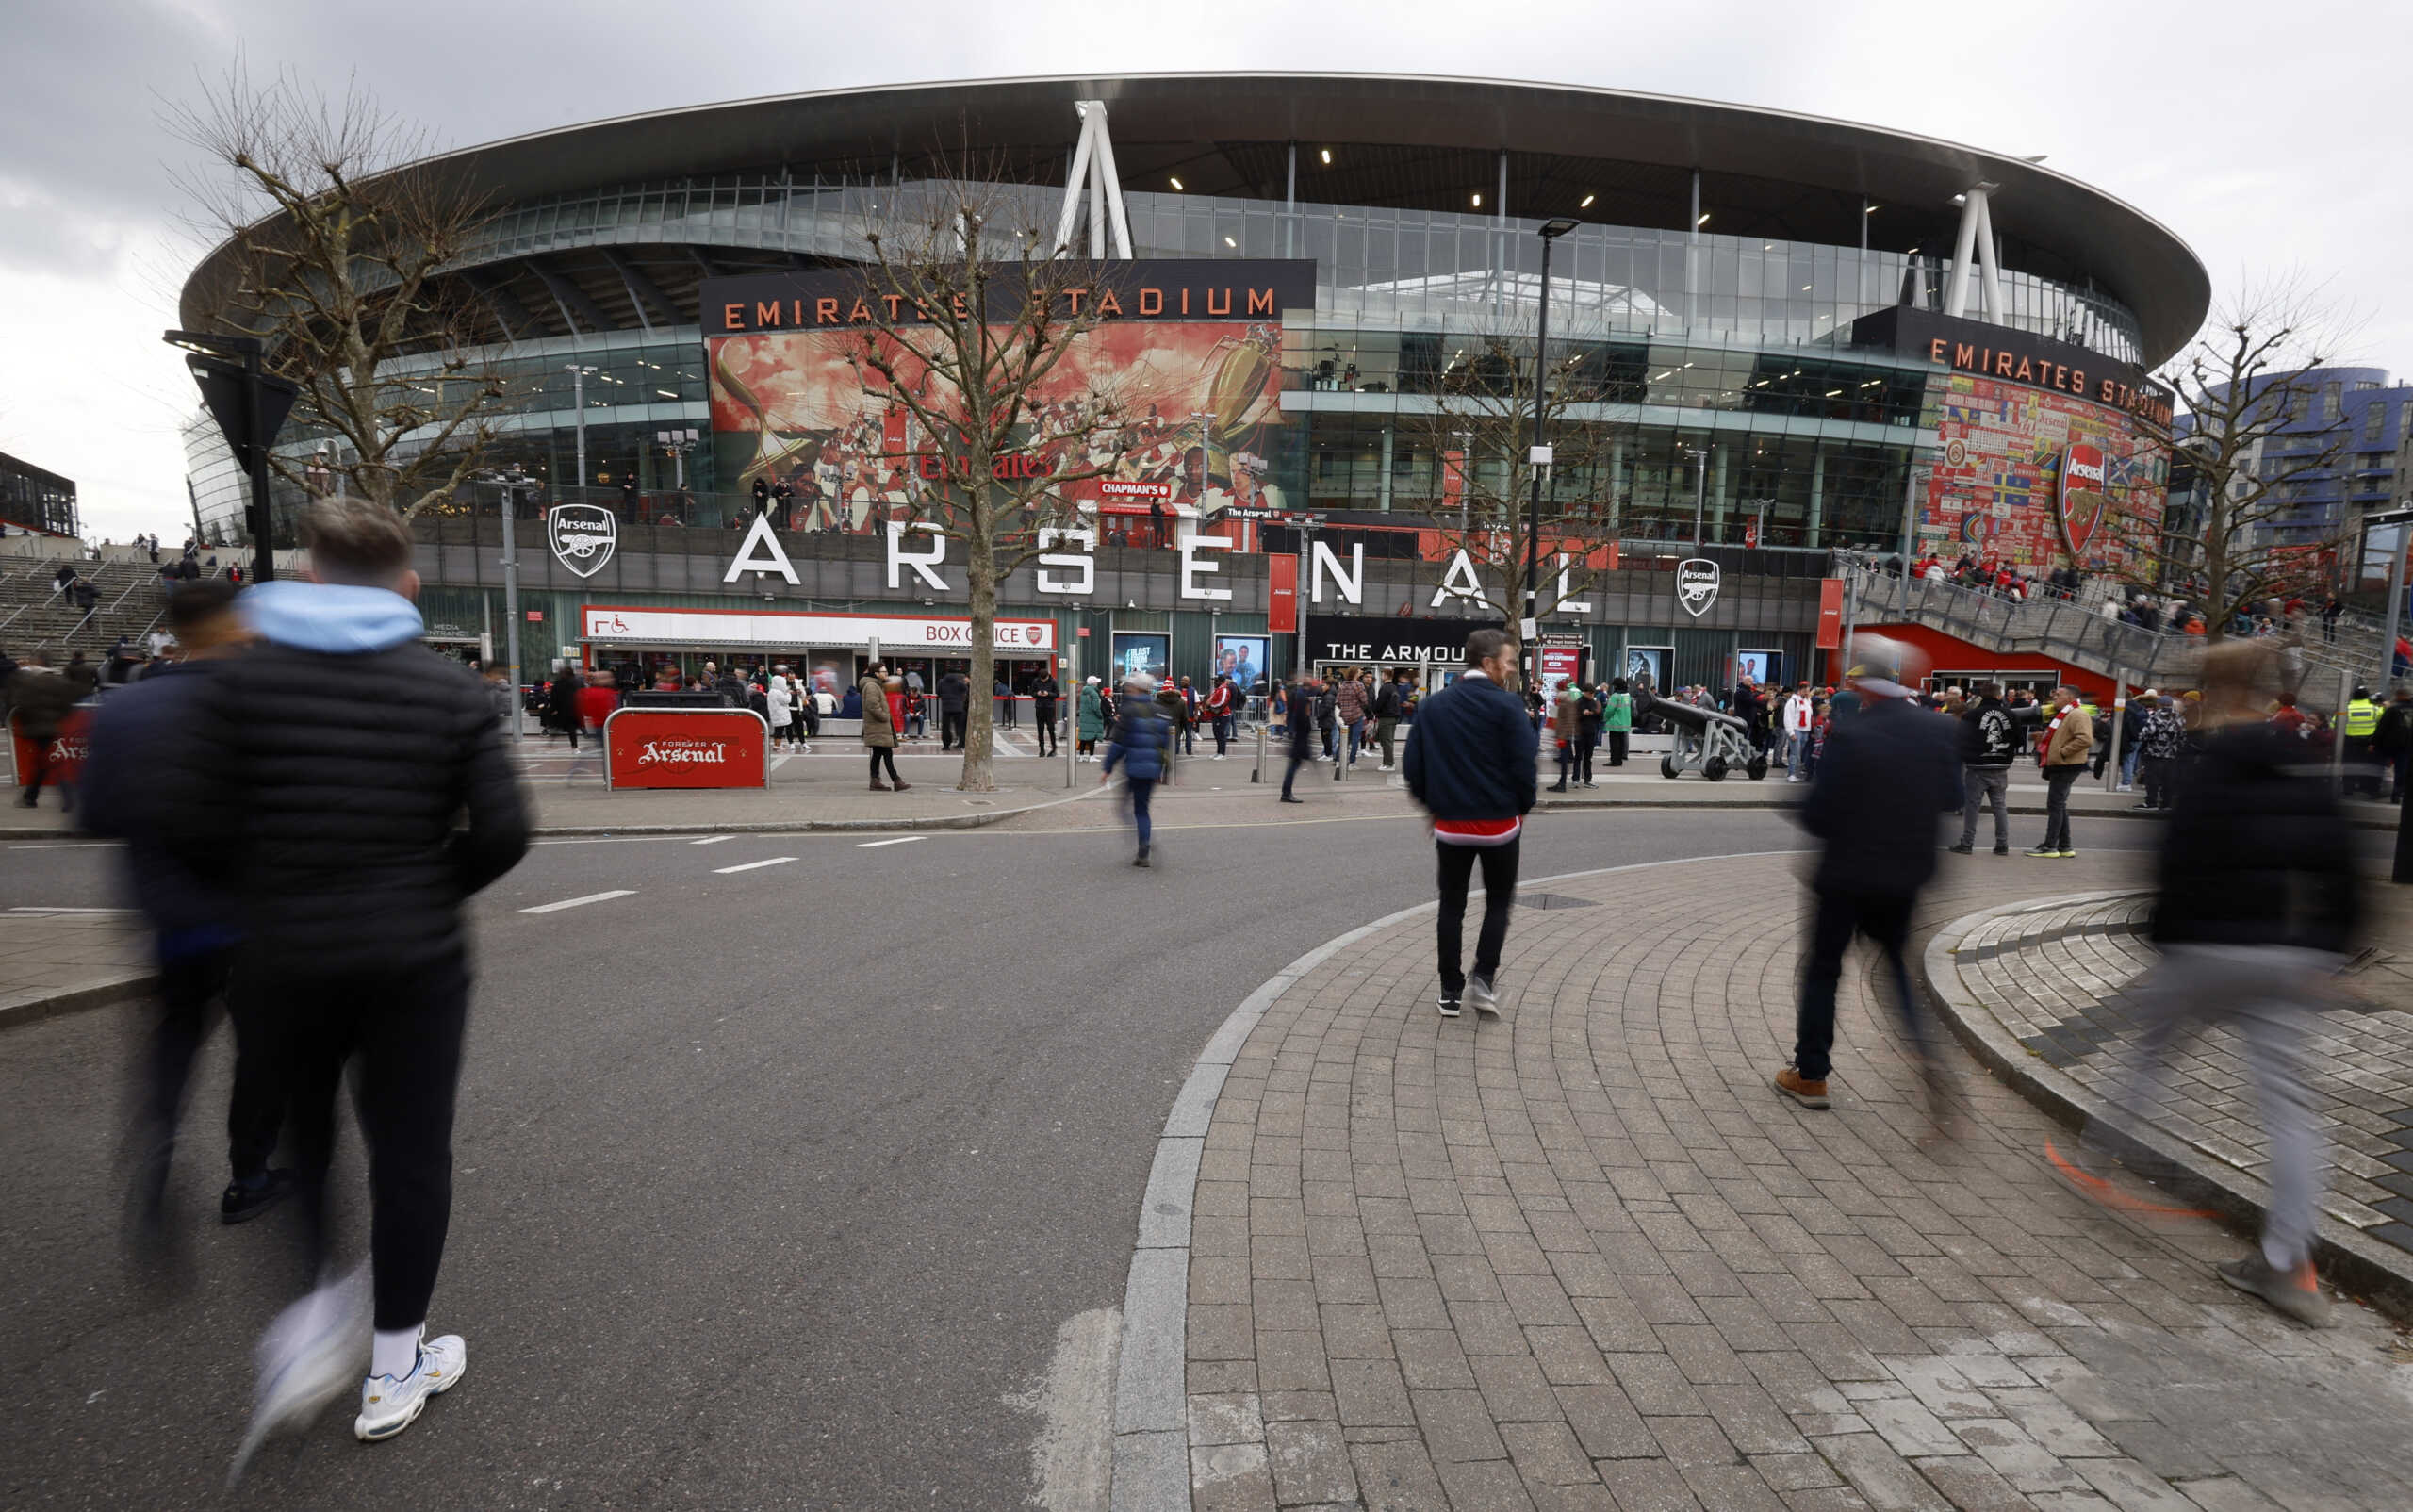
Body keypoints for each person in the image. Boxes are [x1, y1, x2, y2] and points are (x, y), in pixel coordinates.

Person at [156, 497, 530, 1454]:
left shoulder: (239, 684)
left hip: (283, 957)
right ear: (407, 585)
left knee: (307, 1141)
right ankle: (394, 1362)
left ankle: (317, 1320)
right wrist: (423, 886)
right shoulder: (448, 691)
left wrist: (263, 893)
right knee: (412, 1153)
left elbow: (189, 822)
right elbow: (505, 828)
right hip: (414, 959)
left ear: (313, 575)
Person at [2080, 640, 2362, 1326]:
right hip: (2283, 955)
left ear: (2209, 694)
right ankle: (2288, 1263)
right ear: (2271, 696)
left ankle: (2102, 1151)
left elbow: (2167, 868)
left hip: (2202, 949)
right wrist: (2328, 952)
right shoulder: (2302, 766)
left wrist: (2163, 942)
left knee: (2151, 1048)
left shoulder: (2205, 772)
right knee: (2292, 1109)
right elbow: (2342, 869)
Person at [79, 582, 291, 1236]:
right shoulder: (262, 702)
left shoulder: (125, 708)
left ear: (174, 633)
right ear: (233, 624)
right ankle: (248, 1176)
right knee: (262, 1050)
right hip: (253, 913)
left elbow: (97, 816)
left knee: (176, 1037)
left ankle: (158, 1147)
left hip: (170, 914)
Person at [1774, 634, 1962, 1119]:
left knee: (1822, 971)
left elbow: (1817, 816)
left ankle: (1811, 1074)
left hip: (1845, 876)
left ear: (1865, 685)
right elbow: (1953, 799)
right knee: (1896, 967)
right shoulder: (1937, 730)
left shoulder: (1852, 735)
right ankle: (1926, 1052)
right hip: (1906, 875)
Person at [1403, 629, 1537, 1020]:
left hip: (1451, 825)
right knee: (1498, 902)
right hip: (1499, 826)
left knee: (1452, 905)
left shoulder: (1434, 706)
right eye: (1508, 662)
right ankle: (1483, 978)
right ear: (1488, 663)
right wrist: (1523, 807)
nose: (1511, 670)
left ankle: (1449, 990)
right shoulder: (1509, 707)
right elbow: (1523, 766)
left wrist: (1433, 807)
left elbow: (1413, 767)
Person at [1102, 673, 1171, 866]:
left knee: (1123, 807)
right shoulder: (1161, 711)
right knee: (1142, 810)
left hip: (1133, 767)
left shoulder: (1129, 710)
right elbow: (1166, 745)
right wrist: (1164, 771)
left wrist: (1107, 768)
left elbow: (1118, 744)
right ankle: (1144, 844)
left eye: (1131, 686)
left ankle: (1142, 842)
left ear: (1137, 689)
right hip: (1153, 769)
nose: (1128, 689)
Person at [8, 650, 83, 810]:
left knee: (47, 763)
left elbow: (21, 703)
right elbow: (69, 703)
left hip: (38, 728)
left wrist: (26, 723)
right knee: (44, 763)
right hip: (54, 727)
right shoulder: (60, 681)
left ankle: (38, 797)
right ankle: (31, 797)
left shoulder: (31, 682)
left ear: (39, 662)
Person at [1949, 681, 2016, 856]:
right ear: (1999, 695)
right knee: (2000, 807)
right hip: (2001, 766)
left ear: (1981, 696)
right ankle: (2002, 845)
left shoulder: (1971, 715)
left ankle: (1967, 843)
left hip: (1977, 766)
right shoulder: (2010, 714)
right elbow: (2019, 740)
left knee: (1972, 807)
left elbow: (1960, 740)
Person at [2027, 686, 2093, 858]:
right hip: (2062, 764)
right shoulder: (2066, 713)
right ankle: (2065, 846)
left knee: (2055, 805)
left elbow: (2085, 738)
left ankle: (2050, 846)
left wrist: (2063, 752)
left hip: (2067, 764)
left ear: (2070, 697)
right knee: (2059, 804)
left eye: (2059, 695)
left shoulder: (2077, 714)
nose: (2054, 697)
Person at [860, 662, 909, 791]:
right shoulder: (871, 686)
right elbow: (872, 706)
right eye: (884, 672)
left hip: (878, 727)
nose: (886, 674)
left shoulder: (876, 685)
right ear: (876, 674)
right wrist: (885, 717)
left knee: (879, 755)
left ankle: (877, 781)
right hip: (878, 727)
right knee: (886, 754)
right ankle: (896, 781)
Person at [2134, 695, 2187, 811]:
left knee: (2152, 779)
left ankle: (2151, 803)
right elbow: (2183, 736)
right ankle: (2167, 803)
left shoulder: (2155, 716)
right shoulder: (2179, 717)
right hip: (2172, 754)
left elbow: (2148, 733)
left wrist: (2141, 737)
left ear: (2159, 704)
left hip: (2154, 753)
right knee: (2168, 779)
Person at [1278, 677, 1318, 803]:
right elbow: (1302, 719)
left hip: (1298, 735)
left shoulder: (1298, 695)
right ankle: (1286, 793)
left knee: (1295, 764)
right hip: (1299, 737)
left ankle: (1286, 792)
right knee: (1294, 764)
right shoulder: (1301, 697)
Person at [2339, 685, 2383, 798]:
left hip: (2350, 741)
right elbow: (2383, 721)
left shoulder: (2346, 709)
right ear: (2367, 696)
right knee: (2368, 765)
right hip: (2368, 742)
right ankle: (2367, 788)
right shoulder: (2374, 709)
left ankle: (2348, 788)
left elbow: (2334, 723)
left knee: (2349, 764)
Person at [2376, 686, 2412, 805]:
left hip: (2396, 744)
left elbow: (2382, 727)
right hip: (2405, 745)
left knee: (2397, 769)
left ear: (2399, 696)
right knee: (2402, 770)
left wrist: (2374, 742)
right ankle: (2398, 793)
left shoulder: (2393, 709)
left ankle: (2394, 793)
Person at [1370, 669, 1406, 771]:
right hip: (1394, 717)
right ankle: (1388, 763)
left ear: (1385, 675)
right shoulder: (1394, 687)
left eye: (1382, 674)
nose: (1381, 676)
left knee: (1386, 741)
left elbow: (1379, 703)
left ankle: (1389, 764)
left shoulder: (1385, 688)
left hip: (1386, 717)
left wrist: (1374, 710)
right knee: (1388, 740)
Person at [1781, 681, 1815, 781]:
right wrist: (1791, 732)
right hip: (1796, 730)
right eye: (1804, 690)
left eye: (1807, 690)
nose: (1806, 692)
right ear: (1800, 690)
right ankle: (1791, 774)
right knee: (1795, 753)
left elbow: (1810, 716)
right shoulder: (1792, 702)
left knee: (1799, 753)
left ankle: (1794, 773)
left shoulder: (1808, 701)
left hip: (1805, 730)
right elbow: (1787, 718)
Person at [1574, 682, 1602, 788]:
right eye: (1590, 694)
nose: (1592, 696)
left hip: (1591, 732)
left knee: (1588, 757)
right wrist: (1582, 714)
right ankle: (1576, 778)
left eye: (1593, 694)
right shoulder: (1578, 702)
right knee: (1578, 756)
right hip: (1579, 732)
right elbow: (1574, 717)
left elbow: (1600, 717)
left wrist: (1595, 713)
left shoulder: (1594, 702)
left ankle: (1587, 779)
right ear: (1584, 692)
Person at [936, 665, 970, 750]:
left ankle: (946, 745)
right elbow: (965, 690)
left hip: (946, 708)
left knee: (946, 727)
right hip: (958, 708)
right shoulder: (959, 682)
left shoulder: (941, 682)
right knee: (960, 726)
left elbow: (938, 693)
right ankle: (961, 743)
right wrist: (961, 698)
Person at [1202, 673, 1236, 759]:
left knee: (1220, 734)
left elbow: (1222, 702)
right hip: (1217, 714)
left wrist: (1210, 705)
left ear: (1220, 681)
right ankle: (1218, 752)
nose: (1214, 682)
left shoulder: (1224, 689)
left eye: (1216, 681)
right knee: (1216, 733)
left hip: (1222, 715)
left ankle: (1222, 753)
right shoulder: (1218, 689)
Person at [1031, 667, 1061, 757]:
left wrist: (1048, 694)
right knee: (1040, 730)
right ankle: (1041, 750)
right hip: (1039, 707)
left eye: (1045, 679)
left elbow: (1057, 694)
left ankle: (1054, 749)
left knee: (1051, 729)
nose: (1043, 681)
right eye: (1042, 679)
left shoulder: (1053, 681)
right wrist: (1037, 694)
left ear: (1048, 676)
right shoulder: (1036, 681)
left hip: (1049, 708)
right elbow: (1032, 693)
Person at [1075, 675, 1105, 761]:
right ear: (1094, 683)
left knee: (1084, 737)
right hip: (1092, 718)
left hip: (1084, 717)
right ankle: (1091, 756)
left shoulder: (1084, 691)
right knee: (1092, 737)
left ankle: (1081, 756)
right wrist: (1100, 715)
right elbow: (1096, 708)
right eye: (1096, 682)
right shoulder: (1094, 693)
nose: (1097, 684)